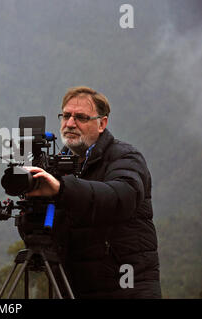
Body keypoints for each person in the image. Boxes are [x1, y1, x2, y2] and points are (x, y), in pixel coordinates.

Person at [25, 86, 161, 298]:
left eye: (80, 117)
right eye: (66, 116)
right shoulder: (53, 167)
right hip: (73, 287)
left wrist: (62, 188)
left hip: (125, 287)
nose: (70, 123)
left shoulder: (125, 157)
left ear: (102, 123)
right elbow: (47, 231)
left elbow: (120, 197)